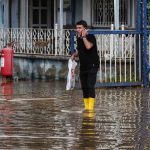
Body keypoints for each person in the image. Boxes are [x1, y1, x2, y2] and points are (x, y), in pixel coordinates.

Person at [71, 20, 99, 111]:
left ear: (85, 29)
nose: (78, 30)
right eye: (77, 28)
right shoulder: (79, 39)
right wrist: (74, 55)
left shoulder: (91, 37)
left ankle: (90, 109)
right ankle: (86, 108)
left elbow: (88, 47)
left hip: (92, 65)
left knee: (90, 86)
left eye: (80, 28)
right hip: (83, 66)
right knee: (84, 87)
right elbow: (81, 50)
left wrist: (83, 37)